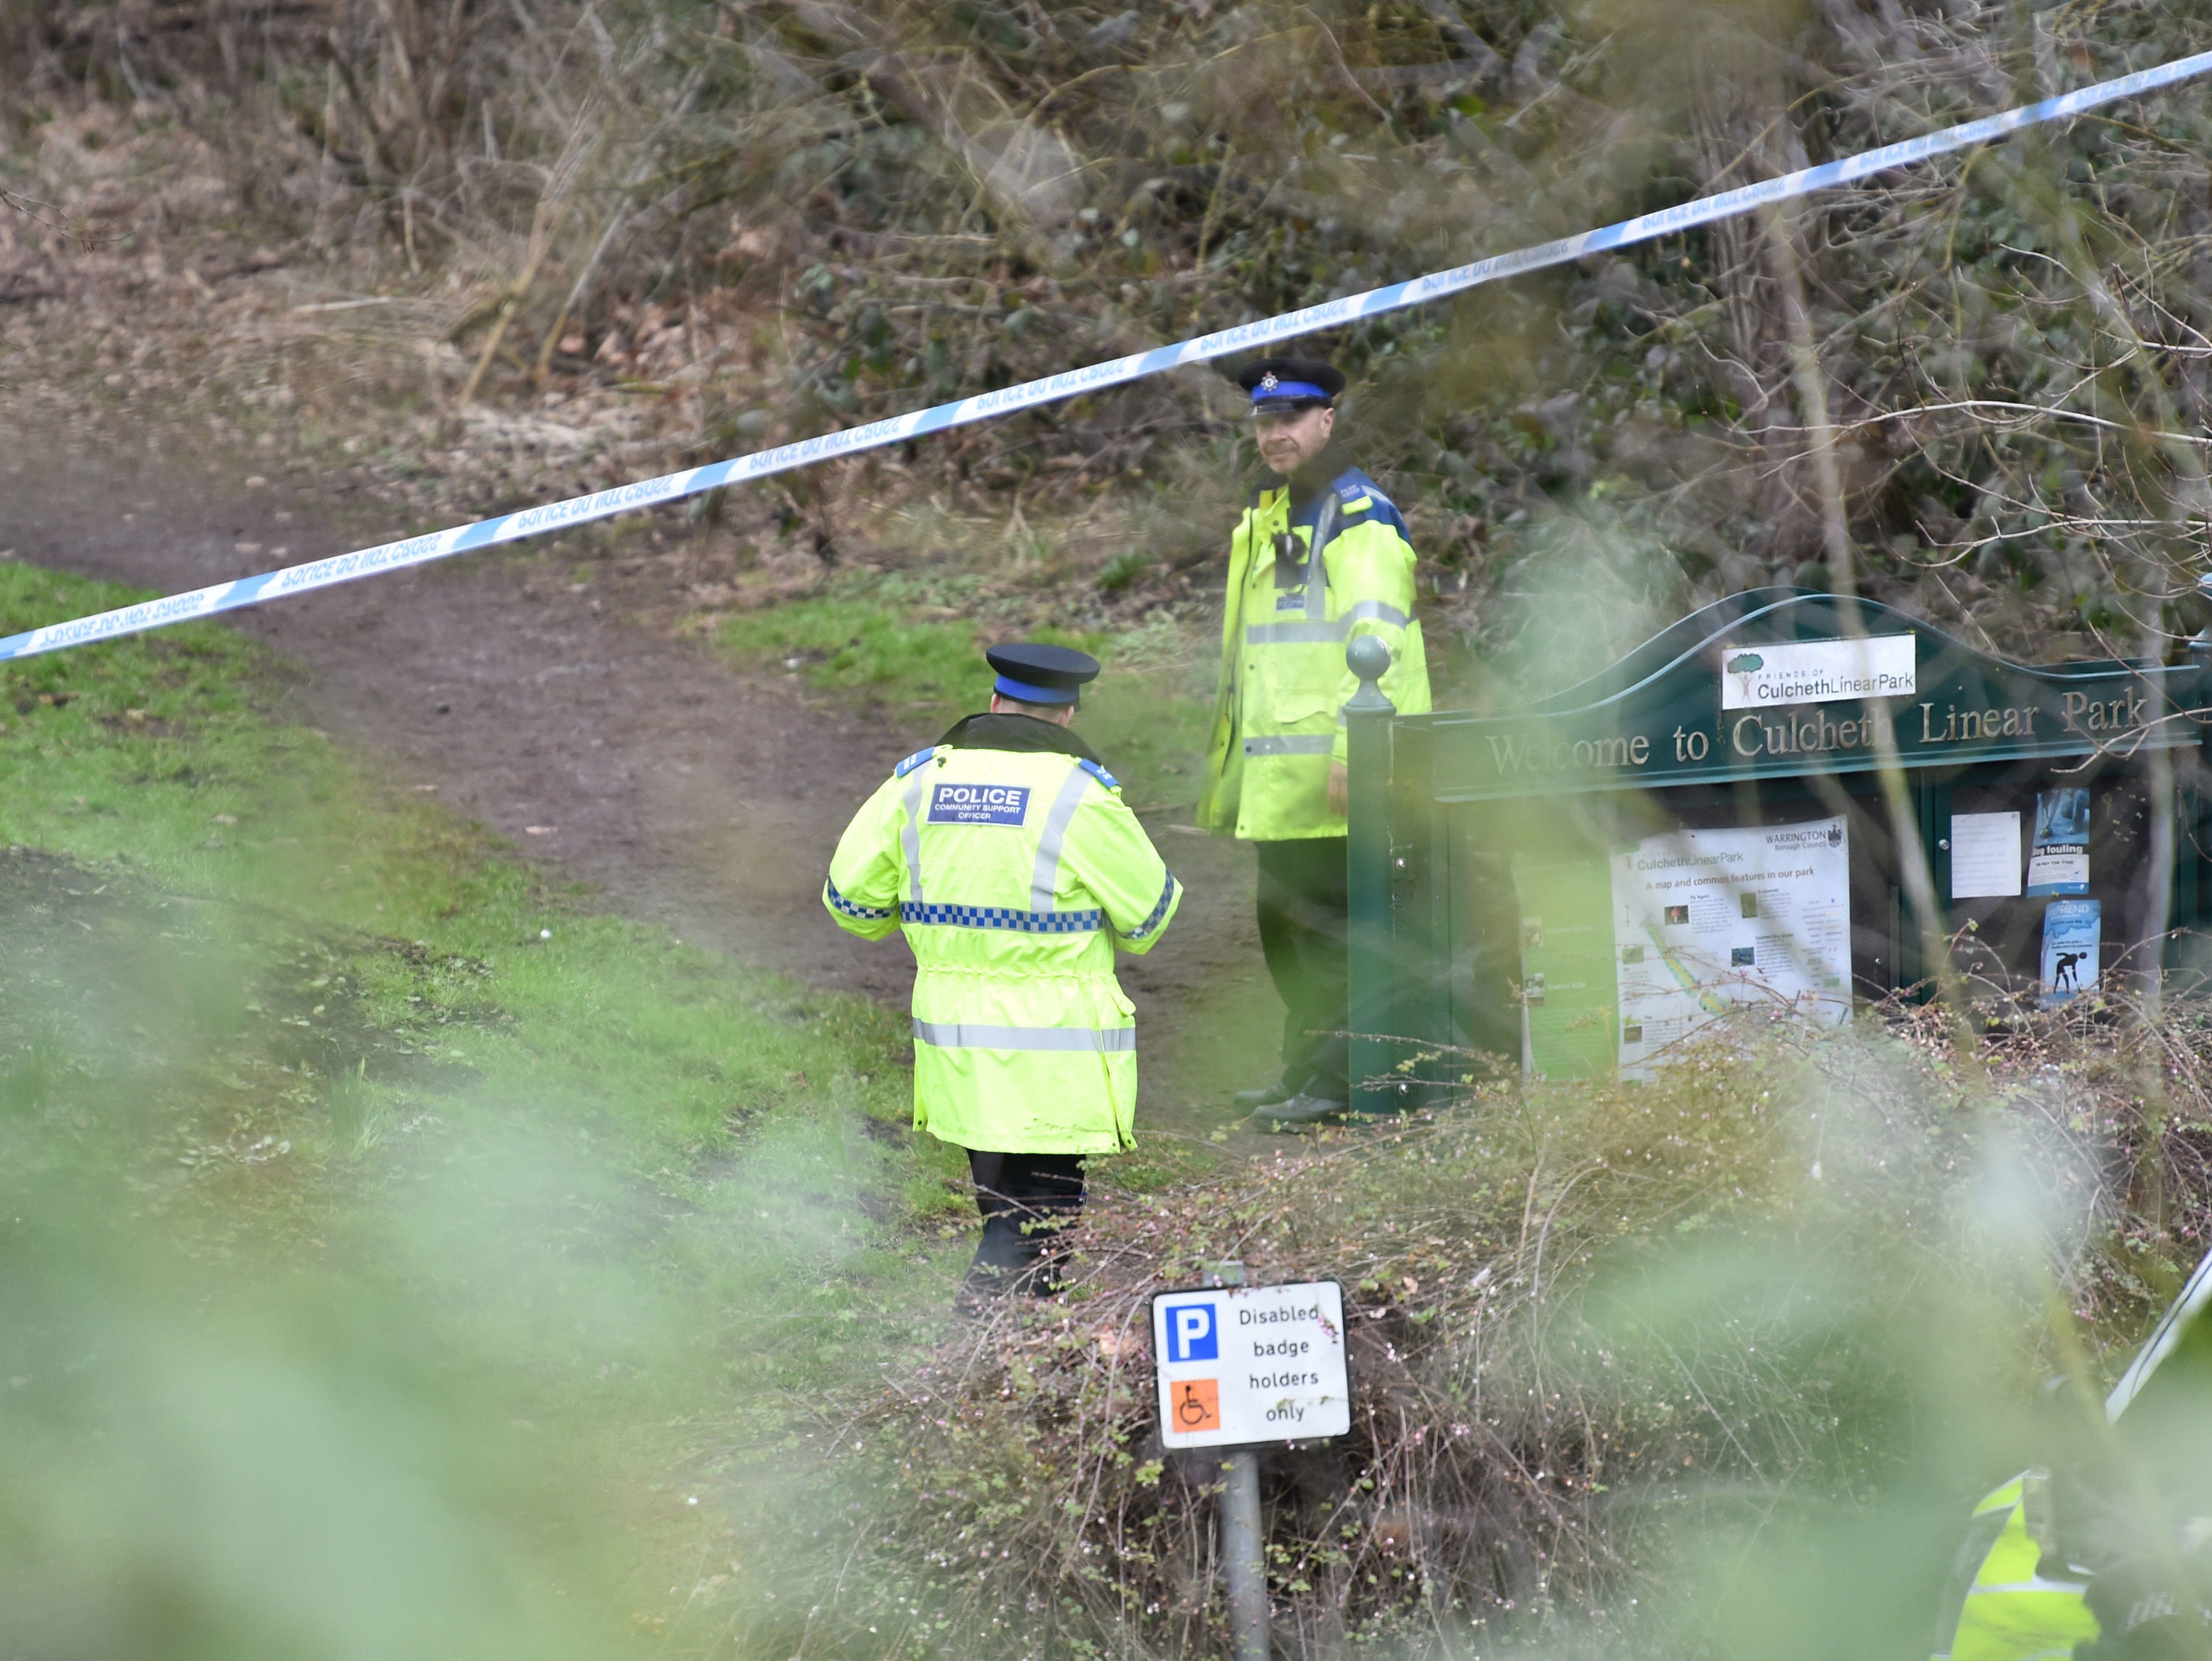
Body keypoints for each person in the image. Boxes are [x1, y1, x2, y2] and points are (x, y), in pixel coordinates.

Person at [823, 641, 1182, 1298]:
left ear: (992, 703)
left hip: (956, 1044)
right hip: (1055, 1052)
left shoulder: (915, 781)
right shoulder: (1082, 797)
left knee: (1006, 1212)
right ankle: (977, 1363)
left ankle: (1003, 1369)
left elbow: (851, 903)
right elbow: (1149, 919)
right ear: (1067, 716)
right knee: (1040, 1222)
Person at [1195, 356, 1431, 1131]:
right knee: (1291, 940)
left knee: (1334, 939)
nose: (1274, 435)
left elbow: (1378, 639)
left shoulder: (1355, 514)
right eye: (1264, 422)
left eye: (1291, 419)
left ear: (1328, 420)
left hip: (1335, 779)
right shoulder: (1276, 513)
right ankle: (1308, 1069)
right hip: (1283, 787)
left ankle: (1338, 1080)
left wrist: (1352, 750)